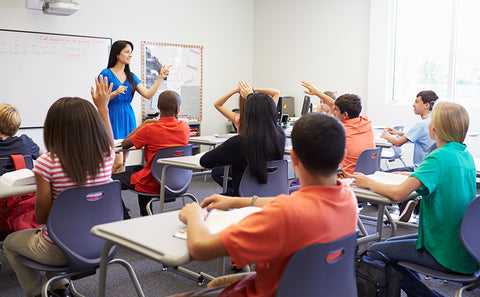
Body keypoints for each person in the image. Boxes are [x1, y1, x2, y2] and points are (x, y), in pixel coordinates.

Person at [170, 112, 358, 297]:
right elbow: (294, 203)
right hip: (312, 286)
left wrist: (194, 215)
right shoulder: (347, 197)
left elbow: (200, 248)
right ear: (343, 155)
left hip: (272, 290)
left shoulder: (283, 215)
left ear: (293, 158)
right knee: (217, 283)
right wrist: (237, 201)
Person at [3, 76, 115, 297]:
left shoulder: (48, 163)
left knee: (10, 242)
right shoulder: (107, 156)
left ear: (53, 127)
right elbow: (109, 142)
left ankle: (37, 293)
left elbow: (43, 216)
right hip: (103, 245)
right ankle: (60, 288)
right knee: (42, 237)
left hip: (60, 250)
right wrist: (103, 108)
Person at [351, 101, 477, 297]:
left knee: (375, 251)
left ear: (435, 127)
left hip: (443, 250)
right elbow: (440, 178)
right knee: (391, 249)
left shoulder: (438, 157)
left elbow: (397, 195)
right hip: (463, 244)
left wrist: (368, 182)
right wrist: (412, 176)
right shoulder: (463, 154)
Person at [112, 90, 190, 217]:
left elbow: (125, 144)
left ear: (158, 107)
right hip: (178, 182)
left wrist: (143, 125)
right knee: (139, 169)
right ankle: (145, 215)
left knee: (110, 181)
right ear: (177, 110)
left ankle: (127, 219)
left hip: (152, 184)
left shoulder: (149, 129)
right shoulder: (185, 127)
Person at [200, 82, 285, 196]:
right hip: (270, 197)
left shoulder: (239, 142)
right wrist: (250, 94)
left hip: (243, 201)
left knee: (209, 202)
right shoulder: (280, 135)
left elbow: (205, 161)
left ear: (249, 114)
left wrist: (249, 92)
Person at [99, 40, 172, 173]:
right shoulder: (105, 74)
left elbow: (148, 94)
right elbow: (99, 100)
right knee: (116, 162)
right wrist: (114, 93)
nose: (130, 55)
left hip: (127, 116)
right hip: (111, 117)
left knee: (124, 162)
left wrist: (160, 77)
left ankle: (117, 191)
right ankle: (105, 184)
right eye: (127, 51)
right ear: (117, 54)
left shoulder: (131, 76)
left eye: (131, 52)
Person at [301, 81, 375, 177]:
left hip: (350, 179)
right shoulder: (366, 122)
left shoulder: (340, 130)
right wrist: (318, 93)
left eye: (336, 110)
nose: (333, 110)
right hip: (370, 176)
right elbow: (337, 105)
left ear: (345, 115)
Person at [381, 90, 437, 171]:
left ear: (426, 105)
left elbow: (398, 143)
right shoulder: (433, 121)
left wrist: (387, 136)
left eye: (416, 102)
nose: (413, 104)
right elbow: (421, 136)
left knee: (382, 174)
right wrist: (398, 133)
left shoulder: (422, 124)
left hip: (419, 170)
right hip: (428, 169)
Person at [214, 82, 280, 134]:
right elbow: (276, 93)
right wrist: (252, 90)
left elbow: (217, 105)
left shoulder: (239, 119)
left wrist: (235, 91)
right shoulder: (267, 116)